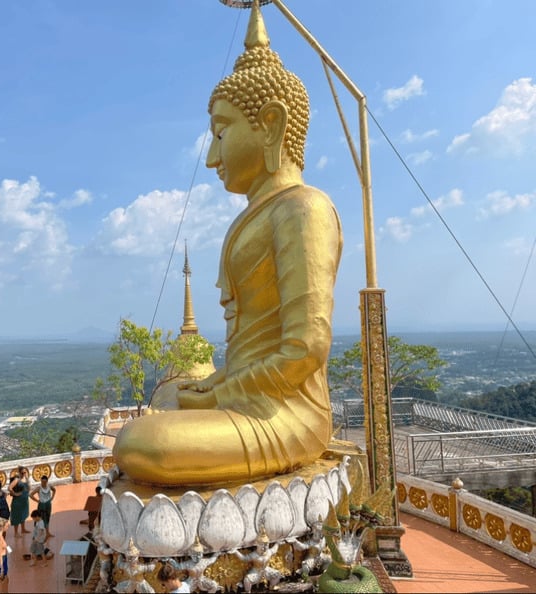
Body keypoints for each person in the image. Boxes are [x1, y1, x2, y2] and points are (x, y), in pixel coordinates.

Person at [114, 0, 343, 486]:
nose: (213, 157)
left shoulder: (304, 208)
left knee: (141, 444)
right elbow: (247, 354)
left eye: (221, 133)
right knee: (161, 416)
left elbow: (306, 348)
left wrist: (221, 394)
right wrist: (216, 383)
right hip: (246, 399)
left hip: (286, 416)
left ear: (274, 125)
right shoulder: (255, 217)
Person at [9, 466, 30, 538]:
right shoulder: (17, 480)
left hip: (24, 500)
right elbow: (10, 488)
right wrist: (15, 494)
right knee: (17, 516)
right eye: (22, 472)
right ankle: (16, 532)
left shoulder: (26, 478)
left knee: (23, 514)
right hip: (18, 501)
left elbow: (28, 488)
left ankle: (23, 529)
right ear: (19, 472)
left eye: (25, 472)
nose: (24, 473)